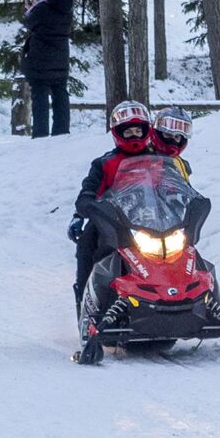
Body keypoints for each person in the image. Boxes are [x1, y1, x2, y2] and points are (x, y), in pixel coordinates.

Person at [66, 101, 155, 304]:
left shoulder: (158, 161)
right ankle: (86, 298)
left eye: (138, 131)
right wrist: (86, 207)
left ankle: (197, 297)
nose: (134, 136)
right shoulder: (104, 164)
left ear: (146, 131)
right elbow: (88, 191)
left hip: (153, 221)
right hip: (114, 222)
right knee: (87, 242)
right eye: (128, 132)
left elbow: (172, 187)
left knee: (184, 247)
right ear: (117, 133)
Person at [20, 0, 75, 138]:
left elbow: (30, 21)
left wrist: (31, 9)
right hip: (61, 61)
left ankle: (40, 134)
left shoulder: (42, 8)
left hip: (40, 62)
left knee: (40, 97)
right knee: (60, 95)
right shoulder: (67, 8)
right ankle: (61, 132)